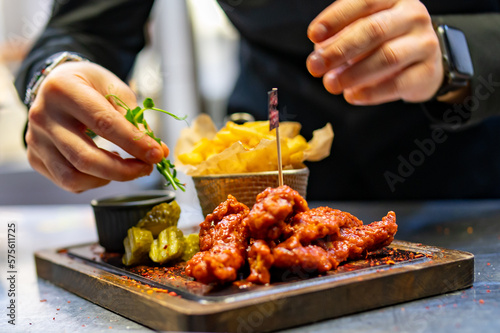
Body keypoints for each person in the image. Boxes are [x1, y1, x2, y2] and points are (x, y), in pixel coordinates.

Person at [14, 0, 500, 200]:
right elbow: (85, 27)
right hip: (264, 156)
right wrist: (55, 74)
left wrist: (458, 50)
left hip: (476, 164)